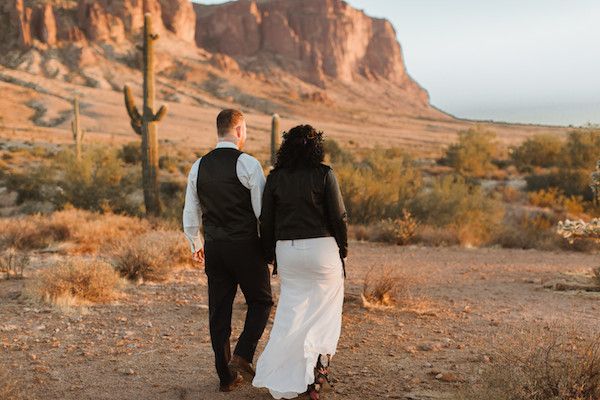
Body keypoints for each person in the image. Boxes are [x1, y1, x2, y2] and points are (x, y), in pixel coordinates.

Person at [253, 125, 348, 400]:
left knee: (291, 314)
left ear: (286, 148)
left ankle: (285, 377)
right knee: (326, 312)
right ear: (316, 147)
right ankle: (319, 370)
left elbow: (266, 220)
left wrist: (269, 252)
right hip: (323, 249)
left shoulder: (275, 178)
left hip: (288, 251)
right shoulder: (324, 174)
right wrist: (342, 249)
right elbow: (339, 216)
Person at [182, 109, 273, 392]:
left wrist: (196, 243)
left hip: (215, 248)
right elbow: (263, 212)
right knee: (261, 301)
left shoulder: (199, 166)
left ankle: (225, 376)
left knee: (218, 312)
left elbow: (191, 210)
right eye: (244, 130)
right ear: (238, 131)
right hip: (245, 246)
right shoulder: (247, 163)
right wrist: (268, 248)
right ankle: (243, 355)